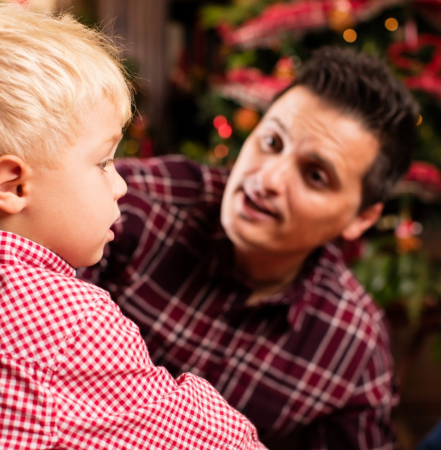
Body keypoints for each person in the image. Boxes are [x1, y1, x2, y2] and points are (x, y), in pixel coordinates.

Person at [0, 5, 266, 449]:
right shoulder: (74, 324)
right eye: (103, 162)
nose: (122, 184)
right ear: (13, 185)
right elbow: (217, 440)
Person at [80, 47, 419, 450]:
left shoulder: (352, 347)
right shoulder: (131, 203)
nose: (269, 178)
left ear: (361, 218)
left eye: (314, 175)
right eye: (272, 142)